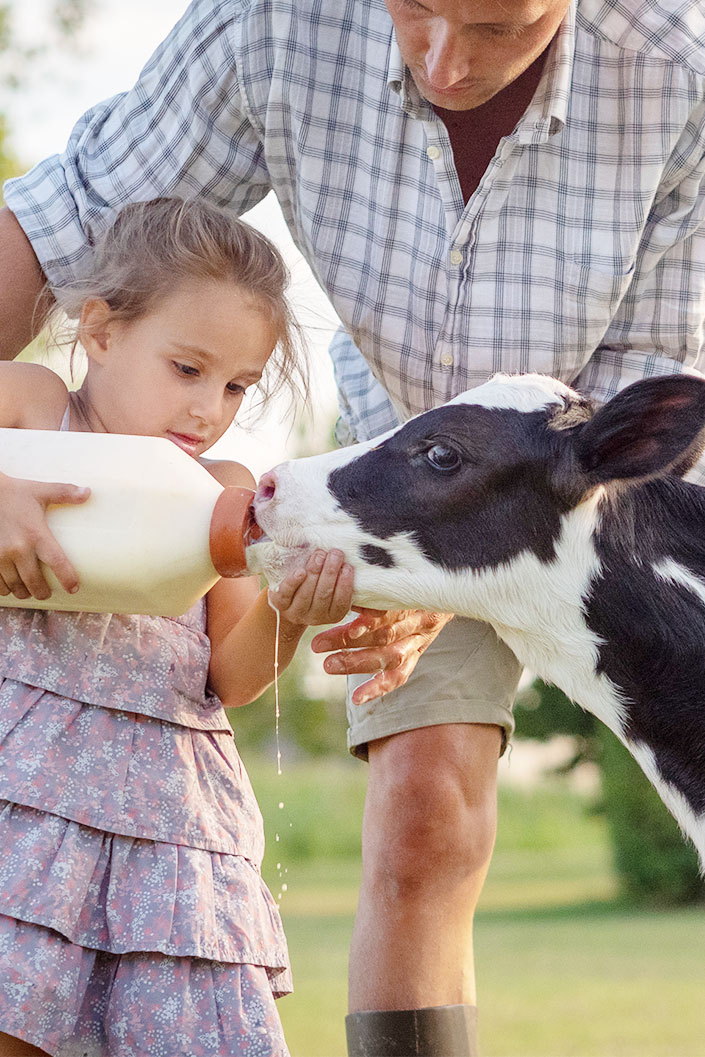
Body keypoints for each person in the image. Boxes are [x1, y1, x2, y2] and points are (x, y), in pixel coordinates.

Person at [1, 1, 704, 1053]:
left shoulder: (678, 78)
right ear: (99, 332)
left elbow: (636, 412)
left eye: (496, 28)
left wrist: (377, 584)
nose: (443, 61)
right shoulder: (275, 21)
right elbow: (56, 220)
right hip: (383, 469)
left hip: (535, 499)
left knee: (439, 815)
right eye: (414, 8)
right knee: (419, 800)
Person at [0, 196, 357, 1057]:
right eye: (186, 368)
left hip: (169, 824)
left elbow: (229, 678)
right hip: (18, 796)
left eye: (237, 384)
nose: (209, 408)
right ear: (101, 330)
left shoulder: (225, 490)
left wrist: (287, 607)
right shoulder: (31, 407)